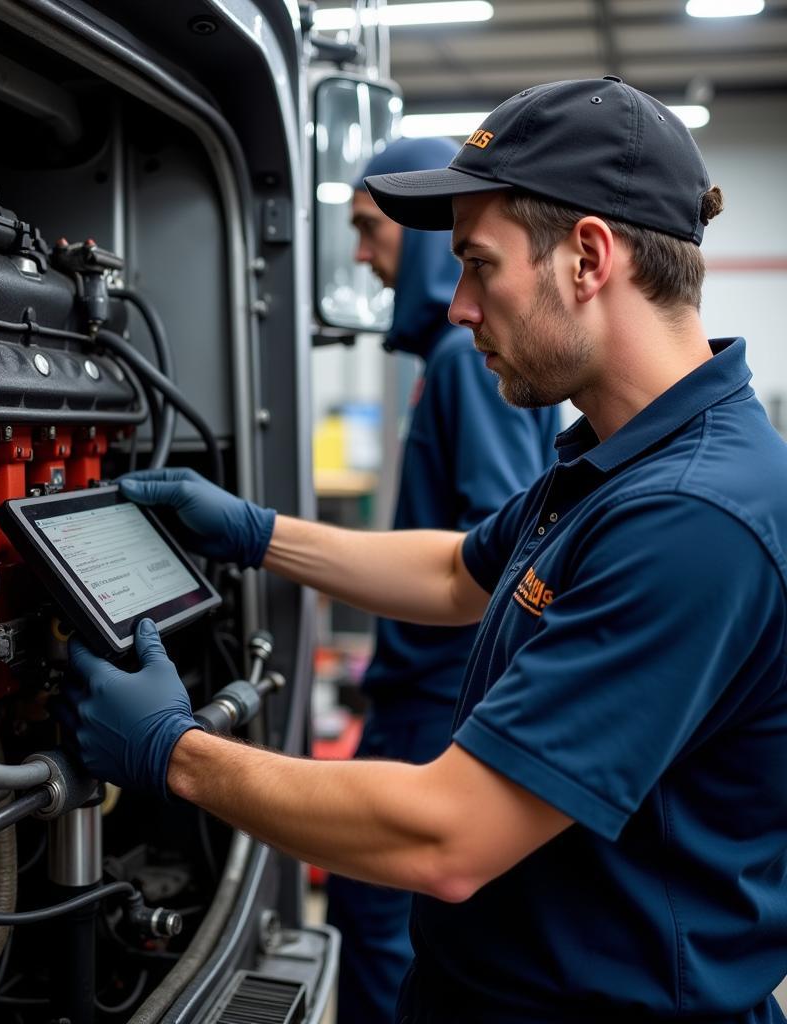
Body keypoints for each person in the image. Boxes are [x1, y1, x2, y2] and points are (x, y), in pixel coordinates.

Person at [61, 78, 787, 1023]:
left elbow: (449, 838)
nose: (456, 307)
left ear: (588, 259)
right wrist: (252, 530)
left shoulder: (692, 517)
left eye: (480, 266)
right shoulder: (619, 462)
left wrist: (177, 753)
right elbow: (455, 574)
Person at [327, 136, 558, 1024]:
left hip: (431, 706)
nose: (359, 254)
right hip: (416, 696)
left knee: (384, 935)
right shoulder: (447, 362)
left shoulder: (466, 363)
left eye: (367, 229)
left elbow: (497, 555)